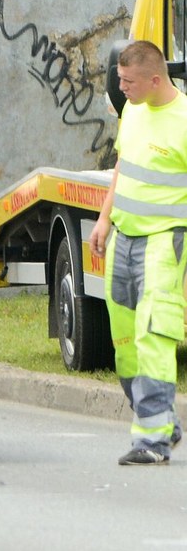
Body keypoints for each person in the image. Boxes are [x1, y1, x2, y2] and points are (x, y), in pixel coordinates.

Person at [90, 40, 187, 466]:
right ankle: (162, 418)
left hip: (164, 243)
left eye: (128, 82)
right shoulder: (133, 110)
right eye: (119, 80)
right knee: (125, 341)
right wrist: (103, 219)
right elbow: (122, 168)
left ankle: (153, 441)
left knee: (153, 335)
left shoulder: (183, 120)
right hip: (123, 240)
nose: (121, 90)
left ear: (154, 78)